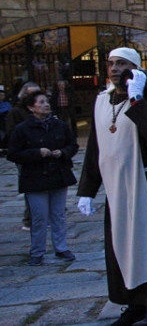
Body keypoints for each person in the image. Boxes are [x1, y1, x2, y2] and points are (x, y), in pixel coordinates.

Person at [77, 48, 147, 326]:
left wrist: (137, 99)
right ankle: (132, 302)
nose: (114, 69)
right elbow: (95, 147)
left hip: (145, 185)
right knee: (119, 248)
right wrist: (87, 189)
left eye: (121, 64)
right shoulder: (101, 101)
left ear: (134, 69)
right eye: (110, 63)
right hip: (116, 188)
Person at [7, 89, 78, 266]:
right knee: (39, 217)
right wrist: (36, 153)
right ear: (31, 107)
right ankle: (37, 251)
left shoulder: (59, 125)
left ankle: (61, 248)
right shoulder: (22, 129)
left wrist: (62, 152)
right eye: (41, 102)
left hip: (58, 174)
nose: (46, 105)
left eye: (47, 102)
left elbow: (73, 145)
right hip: (35, 177)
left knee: (58, 214)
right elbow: (13, 153)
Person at [8, 82, 41, 231]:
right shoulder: (16, 112)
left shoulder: (41, 111)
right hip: (26, 155)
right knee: (31, 187)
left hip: (42, 154)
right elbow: (12, 135)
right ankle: (29, 218)